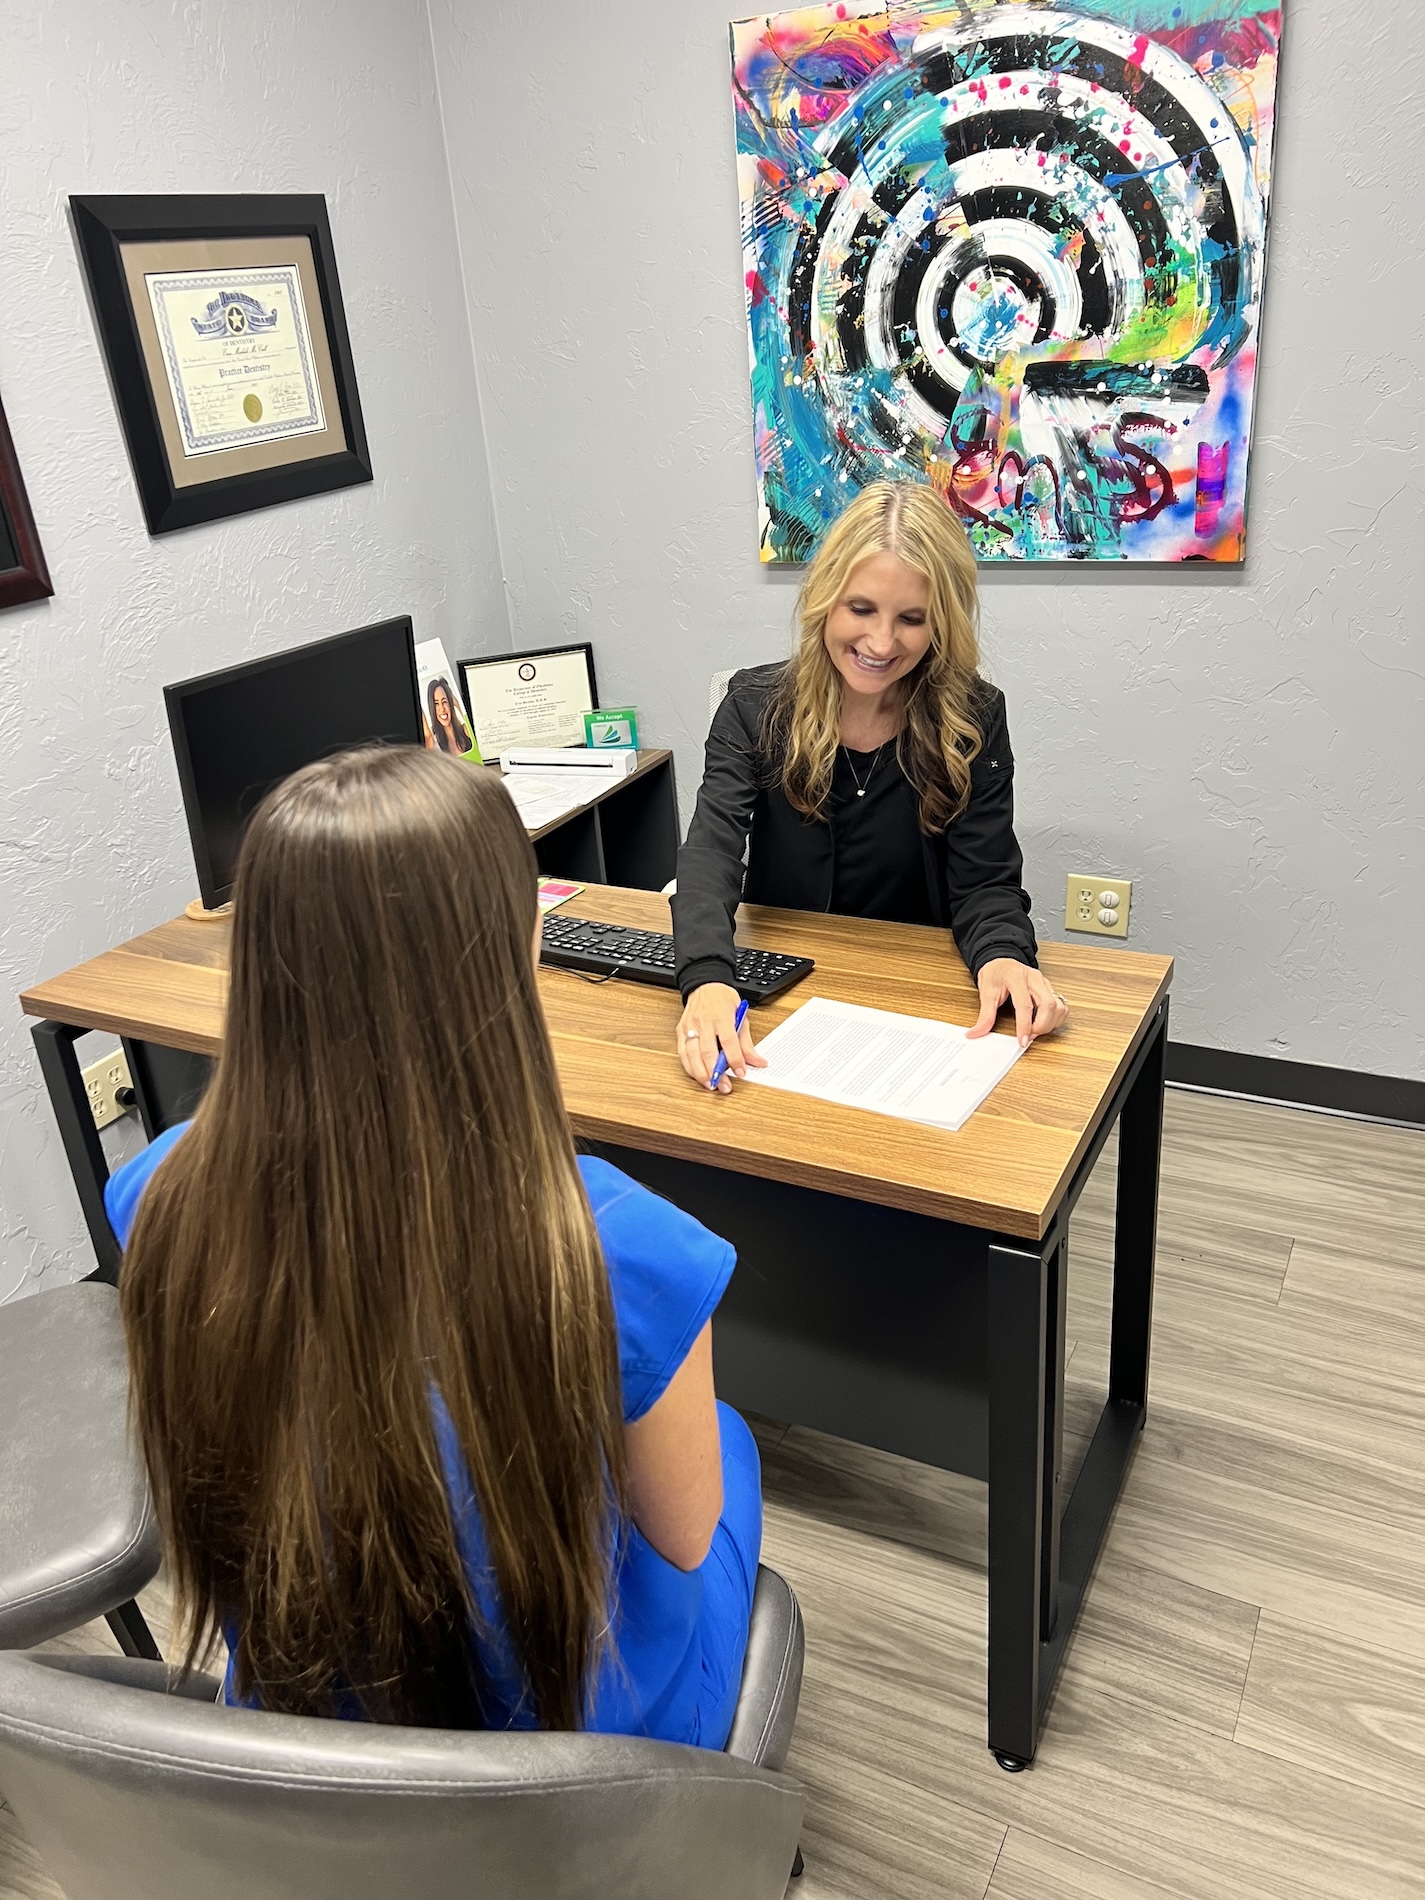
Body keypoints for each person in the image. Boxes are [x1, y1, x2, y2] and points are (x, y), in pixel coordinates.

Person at [107, 748, 761, 1746]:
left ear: (261, 955)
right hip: (575, 1762)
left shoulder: (155, 1193)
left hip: (300, 1731)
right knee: (733, 1453)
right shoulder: (626, 1249)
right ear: (525, 942)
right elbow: (678, 1538)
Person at [672, 480, 1068, 1092]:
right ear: (823, 598)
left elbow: (985, 881)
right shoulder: (753, 708)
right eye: (860, 609)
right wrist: (706, 978)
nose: (881, 643)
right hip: (782, 993)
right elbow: (710, 855)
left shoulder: (974, 717)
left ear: (941, 623)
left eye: (911, 619)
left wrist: (1005, 957)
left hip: (920, 999)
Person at [425, 675, 478, 758]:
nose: (442, 709)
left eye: (444, 702)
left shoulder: (464, 730)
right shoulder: (434, 742)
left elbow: (476, 731)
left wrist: (457, 704)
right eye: (436, 704)